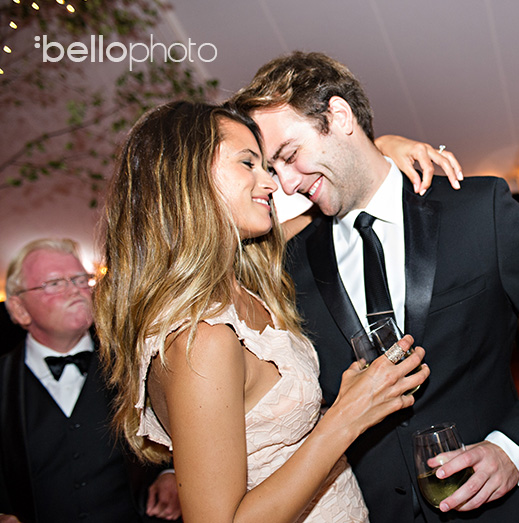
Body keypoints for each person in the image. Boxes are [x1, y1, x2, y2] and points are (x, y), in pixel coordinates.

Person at [230, 51, 519, 522]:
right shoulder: (290, 264)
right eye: (274, 169)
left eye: (289, 155)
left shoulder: (479, 211)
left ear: (340, 116)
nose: (286, 184)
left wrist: (513, 449)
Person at [94, 100, 470, 522]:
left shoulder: (243, 285)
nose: (271, 183)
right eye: (248, 163)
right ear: (188, 177)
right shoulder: (200, 338)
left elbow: (324, 211)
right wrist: (345, 418)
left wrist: (375, 153)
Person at [0, 238, 181, 523]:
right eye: (54, 283)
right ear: (19, 309)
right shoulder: (3, 380)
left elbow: (180, 423)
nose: (75, 290)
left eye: (80, 279)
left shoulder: (134, 359)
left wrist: (170, 473)